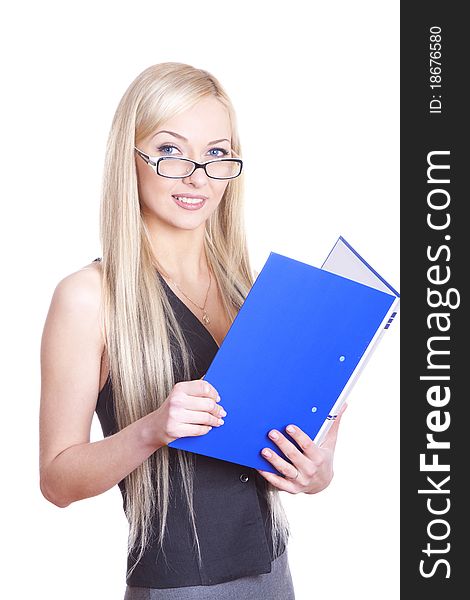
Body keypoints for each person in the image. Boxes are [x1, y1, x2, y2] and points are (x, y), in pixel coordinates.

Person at [39, 62, 346, 599]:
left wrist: (314, 467)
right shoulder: (90, 297)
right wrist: (150, 429)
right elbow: (57, 480)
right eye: (170, 151)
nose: (198, 176)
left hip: (273, 575)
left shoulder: (246, 287)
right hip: (179, 587)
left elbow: (286, 458)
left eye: (216, 153)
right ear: (129, 160)